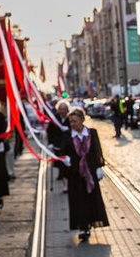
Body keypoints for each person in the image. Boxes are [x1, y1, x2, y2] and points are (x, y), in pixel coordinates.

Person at [61, 107, 109, 242]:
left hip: (90, 173)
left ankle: (89, 224)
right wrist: (65, 159)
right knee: (78, 201)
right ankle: (83, 227)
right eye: (70, 122)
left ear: (82, 120)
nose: (72, 124)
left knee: (91, 200)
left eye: (75, 121)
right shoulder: (68, 136)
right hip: (75, 174)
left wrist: (99, 167)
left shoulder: (92, 133)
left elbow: (97, 150)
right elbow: (63, 151)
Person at [46, 100, 71, 193]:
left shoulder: (70, 118)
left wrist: (68, 129)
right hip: (58, 145)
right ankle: (65, 185)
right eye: (61, 109)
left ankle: (69, 183)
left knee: (68, 165)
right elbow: (50, 131)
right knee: (62, 165)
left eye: (64, 109)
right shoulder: (55, 118)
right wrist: (50, 143)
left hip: (68, 145)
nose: (63, 111)